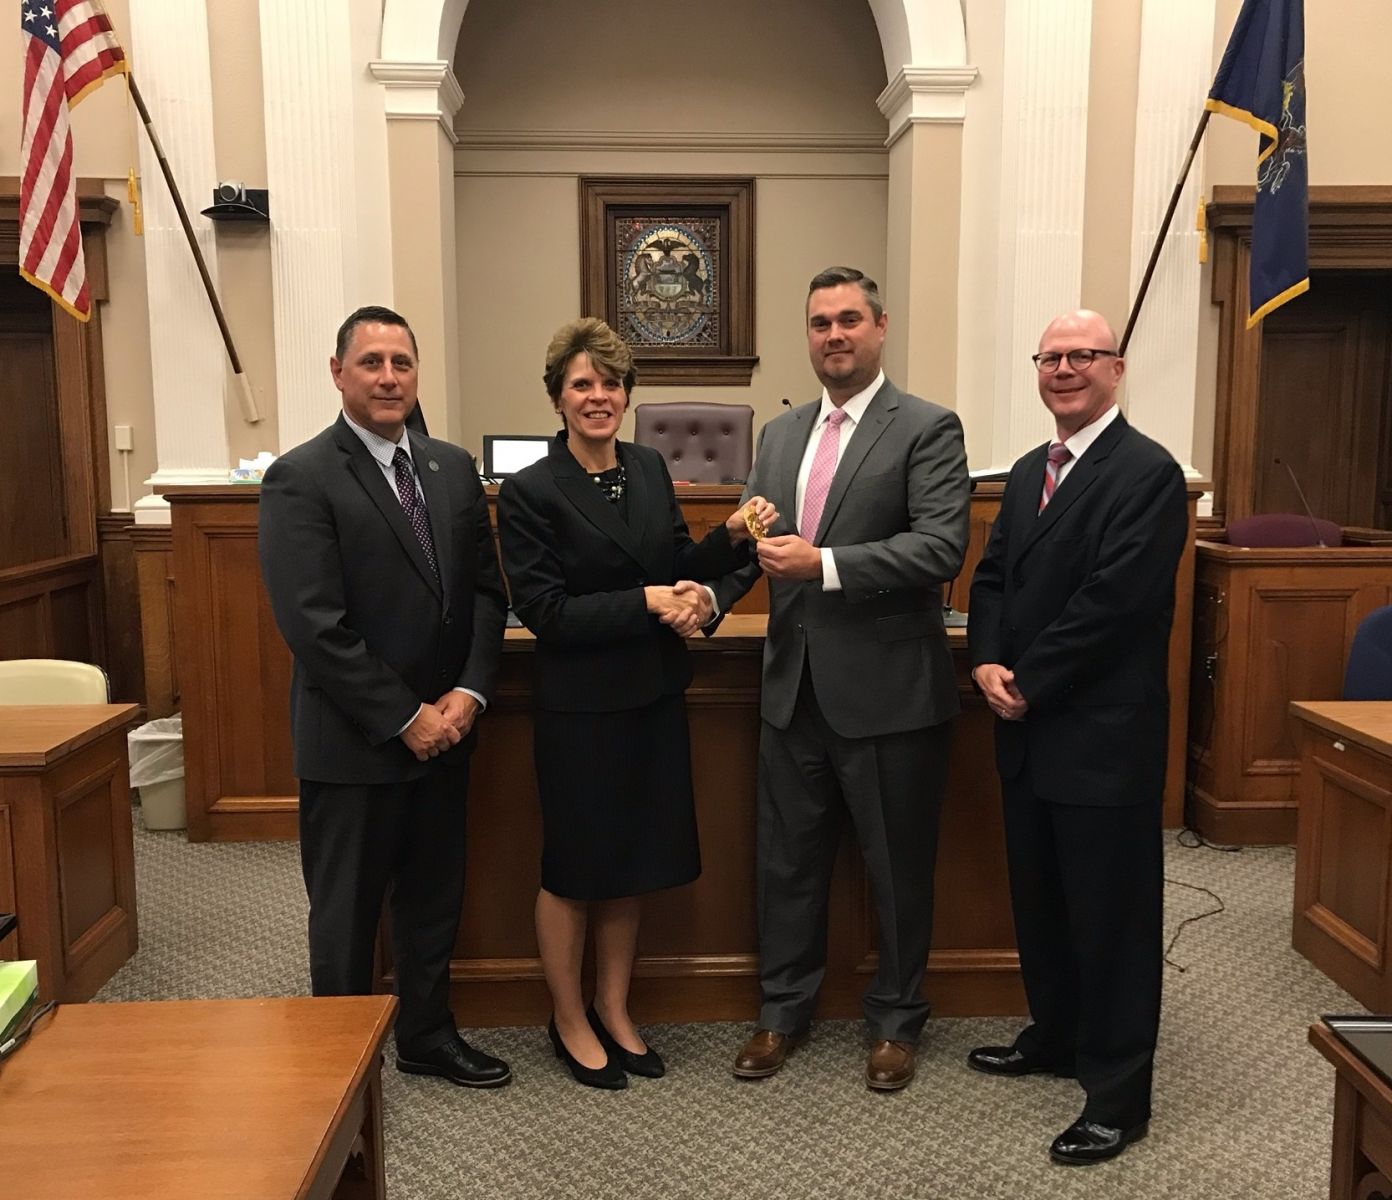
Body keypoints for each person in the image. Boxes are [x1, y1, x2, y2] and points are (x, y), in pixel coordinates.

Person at [496, 317, 776, 1091]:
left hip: (653, 696)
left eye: (611, 383)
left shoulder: (649, 468)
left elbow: (675, 560)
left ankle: (615, 1009)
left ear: (627, 394)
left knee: (632, 868)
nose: (599, 397)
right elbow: (545, 612)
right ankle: (569, 1017)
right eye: (582, 383)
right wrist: (648, 600)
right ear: (557, 395)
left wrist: (722, 543)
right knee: (576, 870)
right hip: (581, 709)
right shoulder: (528, 492)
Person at [711, 266, 970, 1091]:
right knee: (786, 863)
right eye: (820, 322)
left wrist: (823, 563)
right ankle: (782, 1011)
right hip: (792, 691)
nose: (834, 335)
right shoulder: (781, 436)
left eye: (849, 320)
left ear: (880, 327)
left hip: (890, 693)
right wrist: (707, 596)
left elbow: (940, 548)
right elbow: (754, 541)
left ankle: (896, 1022)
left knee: (895, 870)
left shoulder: (927, 428)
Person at [258, 305, 511, 1089]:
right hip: (356, 742)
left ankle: (427, 1036)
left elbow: (483, 594)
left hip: (448, 731)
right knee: (346, 916)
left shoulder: (449, 465)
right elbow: (314, 625)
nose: (389, 377)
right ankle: (339, 1076)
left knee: (433, 903)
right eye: (371, 363)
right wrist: (405, 718)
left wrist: (467, 693)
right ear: (338, 374)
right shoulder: (301, 476)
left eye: (402, 362)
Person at [966, 309, 1187, 1165]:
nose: (1064, 369)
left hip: (1100, 736)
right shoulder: (1028, 472)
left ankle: (1118, 1096)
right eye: (1051, 357)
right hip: (1025, 732)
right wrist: (986, 658)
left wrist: (1028, 678)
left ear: (1116, 369)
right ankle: (1055, 1035)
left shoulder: (1148, 474)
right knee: (1045, 903)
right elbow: (990, 576)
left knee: (1114, 922)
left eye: (1082, 356)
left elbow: (1116, 602)